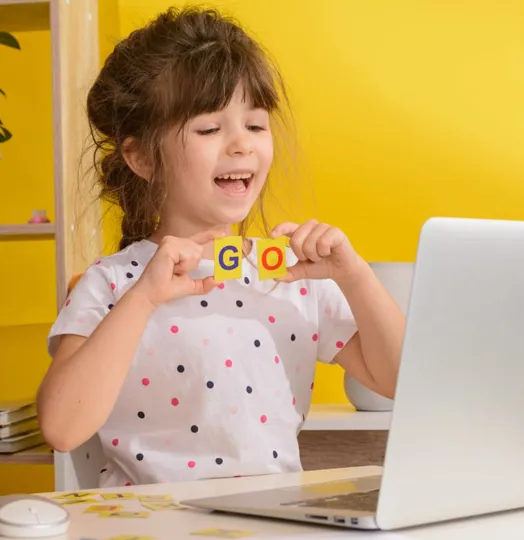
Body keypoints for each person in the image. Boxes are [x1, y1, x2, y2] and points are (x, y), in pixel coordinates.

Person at [37, 6, 405, 487]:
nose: (241, 145)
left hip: (271, 522)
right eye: (210, 129)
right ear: (142, 157)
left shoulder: (293, 276)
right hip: (148, 524)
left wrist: (355, 276)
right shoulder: (112, 284)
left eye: (255, 125)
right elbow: (62, 429)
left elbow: (401, 382)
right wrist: (143, 299)